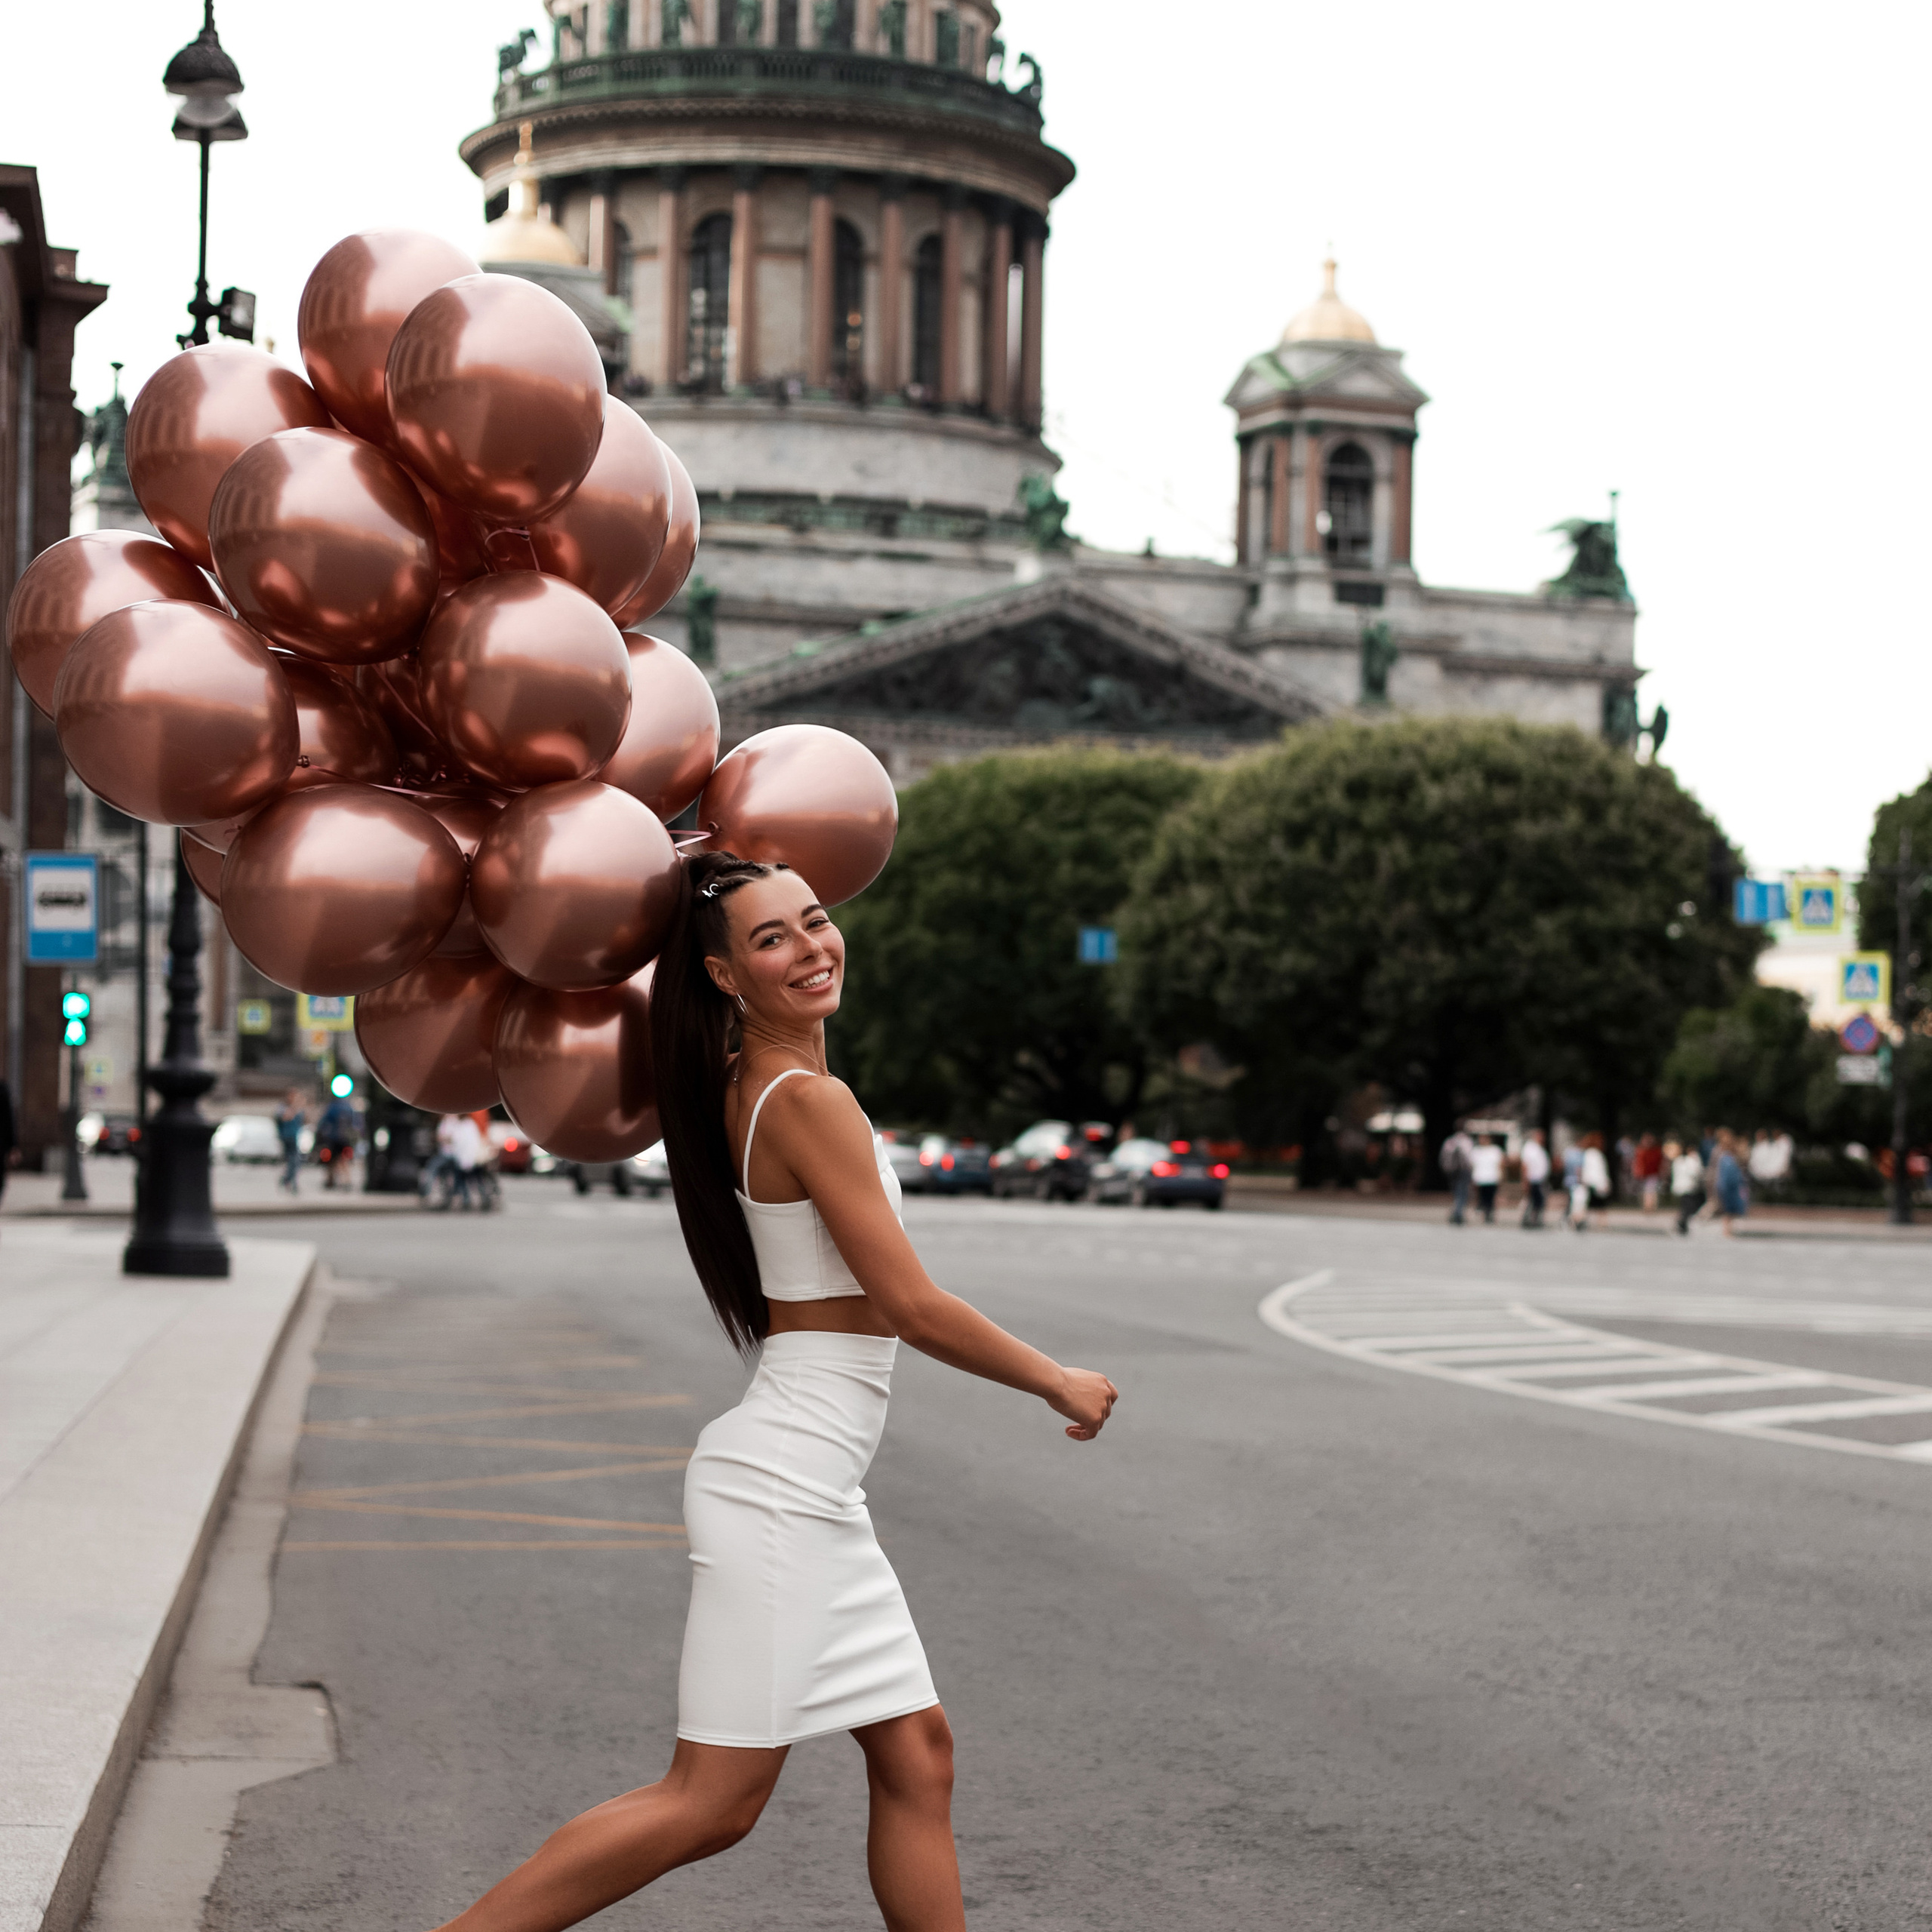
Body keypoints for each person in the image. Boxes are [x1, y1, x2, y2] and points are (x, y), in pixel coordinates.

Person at [426, 851, 1117, 1932]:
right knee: (709, 1805)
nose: (812, 947)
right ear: (721, 976)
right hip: (785, 1487)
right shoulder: (803, 1099)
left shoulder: (757, 1086)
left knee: (918, 1756)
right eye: (772, 938)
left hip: (806, 1482)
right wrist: (1054, 1380)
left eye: (816, 919)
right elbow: (911, 1305)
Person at [315, 1089, 358, 1190]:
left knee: (331, 1161)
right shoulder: (349, 1107)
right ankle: (347, 1181)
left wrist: (320, 1133)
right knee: (344, 1160)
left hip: (333, 1138)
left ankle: (330, 1181)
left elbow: (323, 1122)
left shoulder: (332, 1107)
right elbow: (354, 1124)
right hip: (345, 1139)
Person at [1712, 1128, 1750, 1235]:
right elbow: (1721, 1174)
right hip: (1726, 1186)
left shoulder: (1731, 1157)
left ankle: (1728, 1230)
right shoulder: (1724, 1157)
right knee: (1727, 1210)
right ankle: (1726, 1231)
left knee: (1731, 1210)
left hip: (1732, 1186)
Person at [1572, 1133, 1611, 1233]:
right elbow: (1598, 1171)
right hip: (1596, 1184)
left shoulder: (1588, 1153)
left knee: (1588, 1206)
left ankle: (1578, 1221)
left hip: (1591, 1184)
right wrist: (1604, 1183)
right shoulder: (1595, 1154)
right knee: (1600, 1207)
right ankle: (1601, 1226)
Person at [448, 1109, 487, 1209]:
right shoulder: (468, 1125)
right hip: (468, 1159)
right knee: (474, 1180)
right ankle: (474, 1199)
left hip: (467, 1159)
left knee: (465, 1180)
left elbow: (461, 1142)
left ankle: (470, 1199)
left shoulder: (466, 1126)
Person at [1441, 1121, 1475, 1225]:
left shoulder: (1450, 1141)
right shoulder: (1467, 1141)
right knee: (1463, 1192)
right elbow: (1470, 1158)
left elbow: (1443, 1158)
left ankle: (1455, 1211)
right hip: (1464, 1170)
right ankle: (1458, 1214)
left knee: (1456, 1192)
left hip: (1452, 1171)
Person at [1670, 1138, 1705, 1235]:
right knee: (1689, 1208)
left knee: (1685, 1207)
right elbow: (1696, 1173)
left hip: (1681, 1187)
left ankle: (1682, 1224)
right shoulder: (1692, 1160)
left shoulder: (1679, 1160)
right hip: (1689, 1187)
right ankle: (1682, 1224)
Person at [275, 1089, 306, 1195]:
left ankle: (288, 1180)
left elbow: (304, 1119)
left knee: (294, 1161)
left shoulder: (298, 1108)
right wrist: (294, 1107)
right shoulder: (283, 1107)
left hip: (295, 1137)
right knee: (293, 1160)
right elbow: (285, 1118)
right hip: (287, 1137)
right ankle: (290, 1182)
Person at [1519, 1128, 1550, 1228]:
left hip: (1539, 1180)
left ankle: (1535, 1220)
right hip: (1533, 1179)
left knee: (1539, 1201)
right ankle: (1528, 1220)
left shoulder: (1539, 1148)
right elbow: (1525, 1165)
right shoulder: (1530, 1148)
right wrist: (1525, 1180)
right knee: (1533, 1200)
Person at [1469, 1134, 1503, 1223]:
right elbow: (1472, 1165)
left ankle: (1489, 1214)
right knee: (1481, 1198)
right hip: (1480, 1178)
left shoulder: (1495, 1150)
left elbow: (1500, 1165)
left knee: (1491, 1198)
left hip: (1492, 1178)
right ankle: (1483, 1213)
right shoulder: (1476, 1151)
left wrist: (1500, 1177)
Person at [1632, 1133, 1663, 1212]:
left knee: (1650, 1191)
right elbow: (1637, 1163)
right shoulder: (1640, 1150)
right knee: (1646, 1192)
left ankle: (1649, 1207)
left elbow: (1661, 1163)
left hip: (1652, 1174)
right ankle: (1648, 1207)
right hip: (1643, 1174)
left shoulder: (1656, 1151)